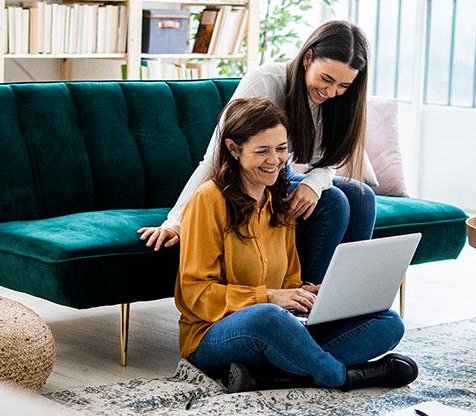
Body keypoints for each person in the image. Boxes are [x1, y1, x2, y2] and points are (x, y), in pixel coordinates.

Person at [174, 97, 417, 393]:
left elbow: (289, 278)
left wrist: (306, 292)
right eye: (262, 150)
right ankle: (345, 377)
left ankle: (276, 377)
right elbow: (195, 293)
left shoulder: (279, 200)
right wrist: (269, 297)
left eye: (281, 148)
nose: (275, 160)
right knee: (268, 317)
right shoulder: (209, 200)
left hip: (277, 327)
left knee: (387, 321)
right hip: (212, 335)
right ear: (233, 149)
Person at [139, 20, 377, 284]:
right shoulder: (265, 82)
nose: (332, 92)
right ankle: (303, 305)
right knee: (333, 203)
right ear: (308, 57)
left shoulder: (335, 101)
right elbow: (215, 158)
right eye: (327, 79)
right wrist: (176, 221)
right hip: (242, 180)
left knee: (361, 196)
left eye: (344, 86)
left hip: (276, 178)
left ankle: (347, 300)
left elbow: (327, 161)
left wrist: (314, 183)